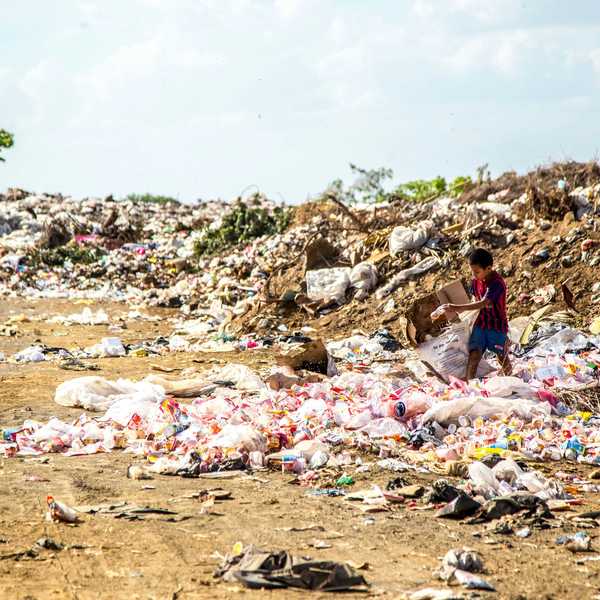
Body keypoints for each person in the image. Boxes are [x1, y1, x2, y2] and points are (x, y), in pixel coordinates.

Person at [440, 247, 511, 380]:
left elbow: (483, 303)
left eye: (477, 272)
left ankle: (512, 381)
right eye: (472, 271)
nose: (474, 275)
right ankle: (470, 385)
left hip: (496, 325)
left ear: (488, 269)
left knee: (502, 356)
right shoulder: (475, 281)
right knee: (474, 355)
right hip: (480, 323)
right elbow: (475, 300)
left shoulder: (497, 283)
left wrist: (457, 307)